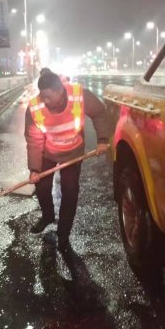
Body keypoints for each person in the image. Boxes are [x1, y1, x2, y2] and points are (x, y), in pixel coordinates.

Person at [25, 70, 110, 252]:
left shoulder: (79, 95)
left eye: (48, 97)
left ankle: (63, 233)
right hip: (48, 151)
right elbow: (34, 140)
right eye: (42, 96)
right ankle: (48, 216)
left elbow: (99, 112)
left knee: (70, 190)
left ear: (60, 90)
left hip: (73, 151)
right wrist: (34, 169)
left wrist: (103, 140)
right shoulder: (35, 107)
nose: (45, 101)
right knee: (42, 186)